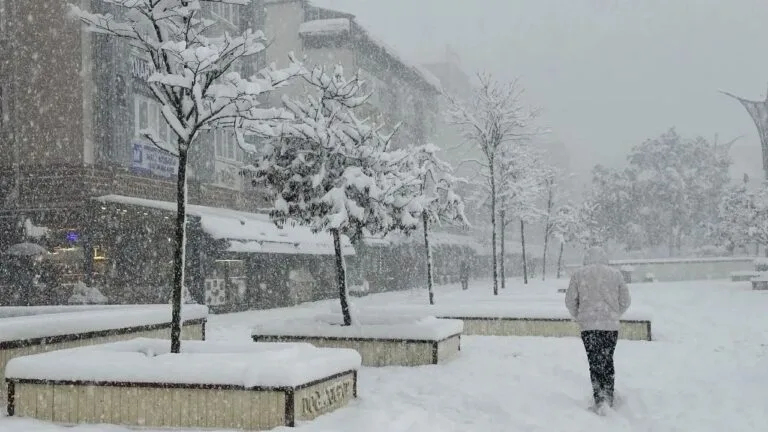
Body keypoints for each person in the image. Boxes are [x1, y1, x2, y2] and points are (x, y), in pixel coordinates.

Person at [565, 246, 631, 411]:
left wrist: (580, 316)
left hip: (589, 328)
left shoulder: (579, 275)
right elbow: (626, 300)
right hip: (610, 328)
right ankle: (608, 396)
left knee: (594, 362)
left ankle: (599, 398)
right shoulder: (615, 274)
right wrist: (614, 314)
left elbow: (570, 301)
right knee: (608, 361)